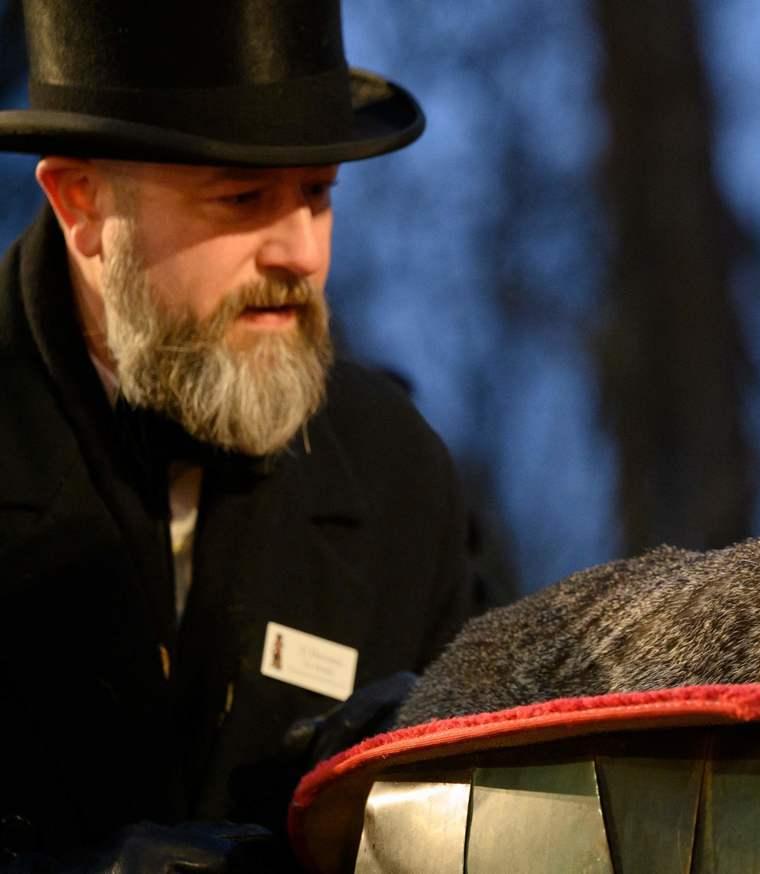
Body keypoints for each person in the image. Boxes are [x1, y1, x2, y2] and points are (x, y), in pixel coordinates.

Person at [0, 1, 492, 868]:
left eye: (317, 195)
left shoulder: (397, 475)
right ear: (82, 205)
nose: (300, 253)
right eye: (242, 199)